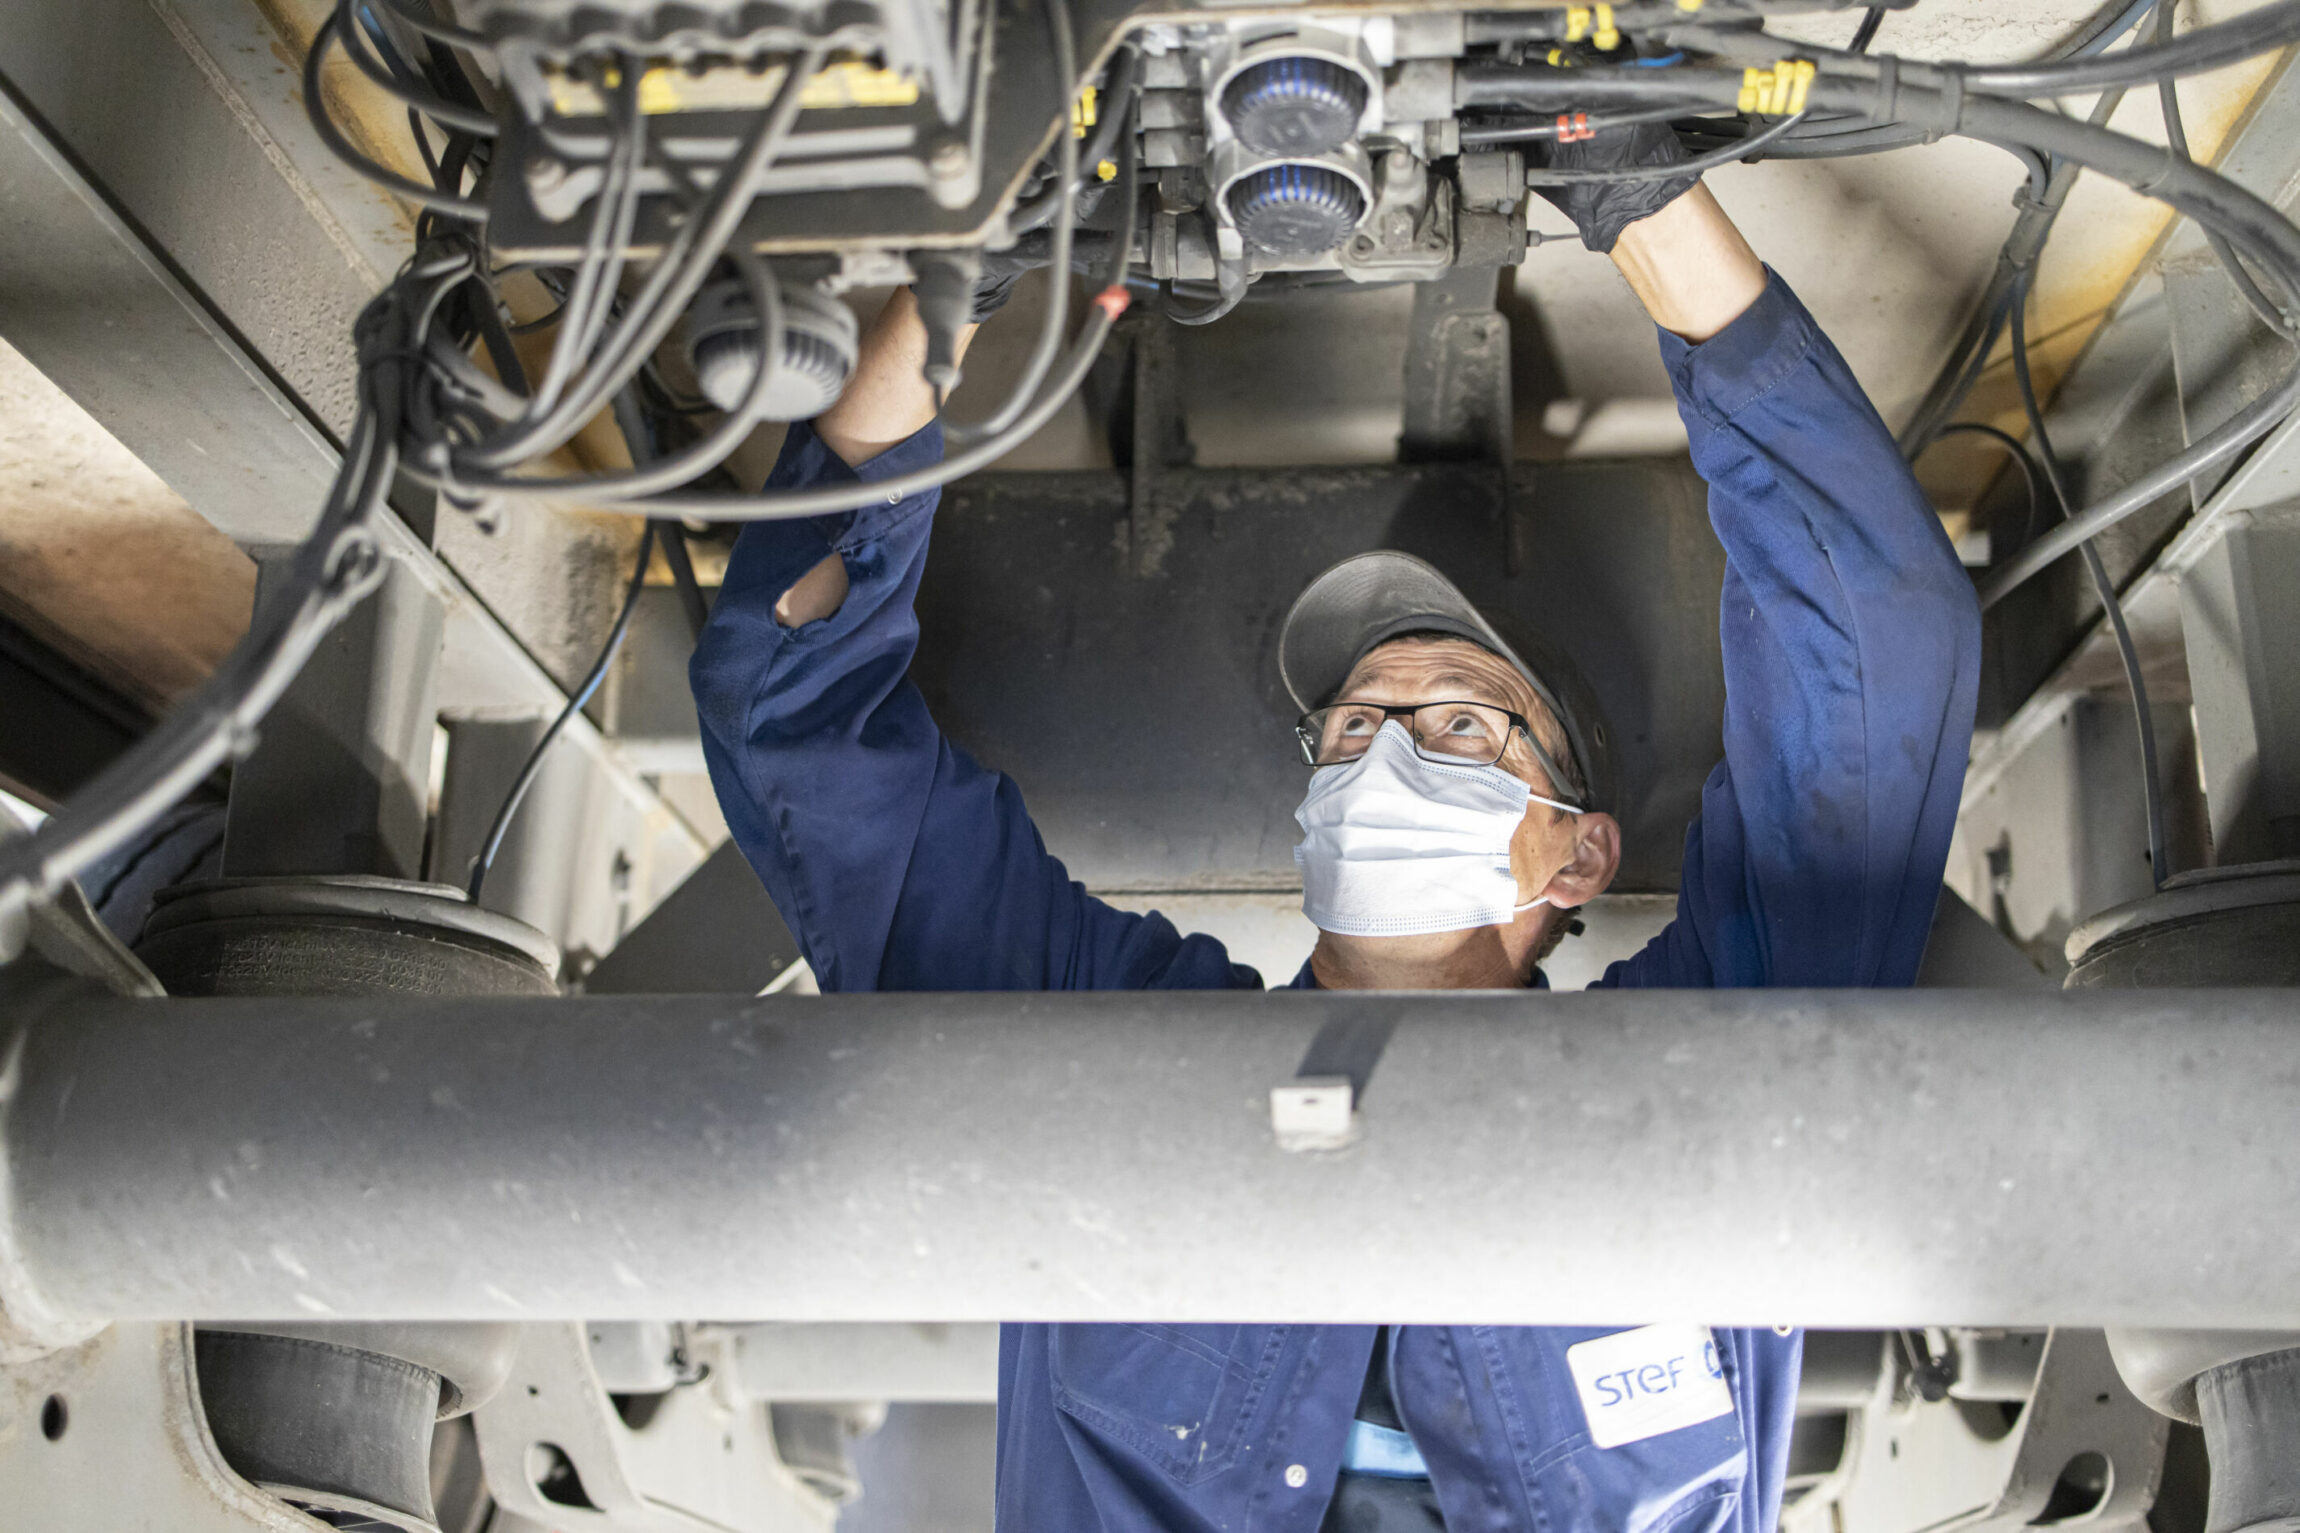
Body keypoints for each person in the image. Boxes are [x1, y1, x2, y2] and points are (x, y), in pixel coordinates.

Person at [693, 120, 1981, 1533]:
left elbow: (786, 716)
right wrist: (1637, 195)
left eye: (1461, 727)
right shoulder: (1107, 1049)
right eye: (1357, 730)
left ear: (1578, 853)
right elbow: (807, 734)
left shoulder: (1697, 1059)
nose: (1384, 756)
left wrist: (958, 280)